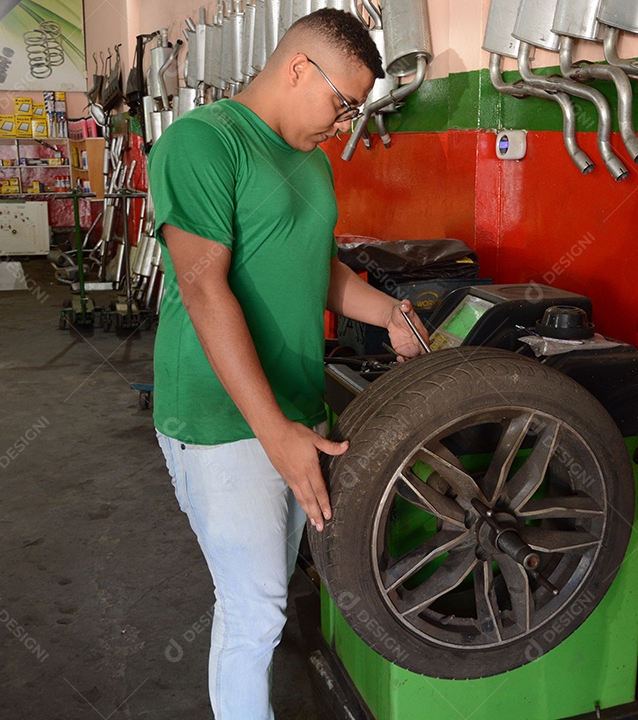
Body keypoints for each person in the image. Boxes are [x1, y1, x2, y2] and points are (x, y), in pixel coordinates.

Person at [147, 9, 428, 719]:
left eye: (354, 111)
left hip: (293, 409)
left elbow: (317, 268)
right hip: (220, 417)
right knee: (258, 610)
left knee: (259, 598)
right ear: (299, 68)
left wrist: (390, 313)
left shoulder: (310, 162)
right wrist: (273, 431)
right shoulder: (202, 143)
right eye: (342, 104)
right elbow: (202, 285)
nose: (343, 124)